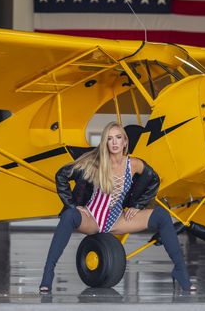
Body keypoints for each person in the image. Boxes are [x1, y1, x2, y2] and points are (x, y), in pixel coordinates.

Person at [39, 121, 195, 293]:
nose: (114, 142)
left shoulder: (133, 164)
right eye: (109, 138)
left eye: (118, 138)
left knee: (162, 216)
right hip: (92, 218)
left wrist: (138, 205)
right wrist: (73, 205)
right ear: (105, 142)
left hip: (117, 220)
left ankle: (180, 271)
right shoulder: (94, 163)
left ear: (125, 142)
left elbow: (154, 179)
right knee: (69, 216)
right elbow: (61, 175)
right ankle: (48, 274)